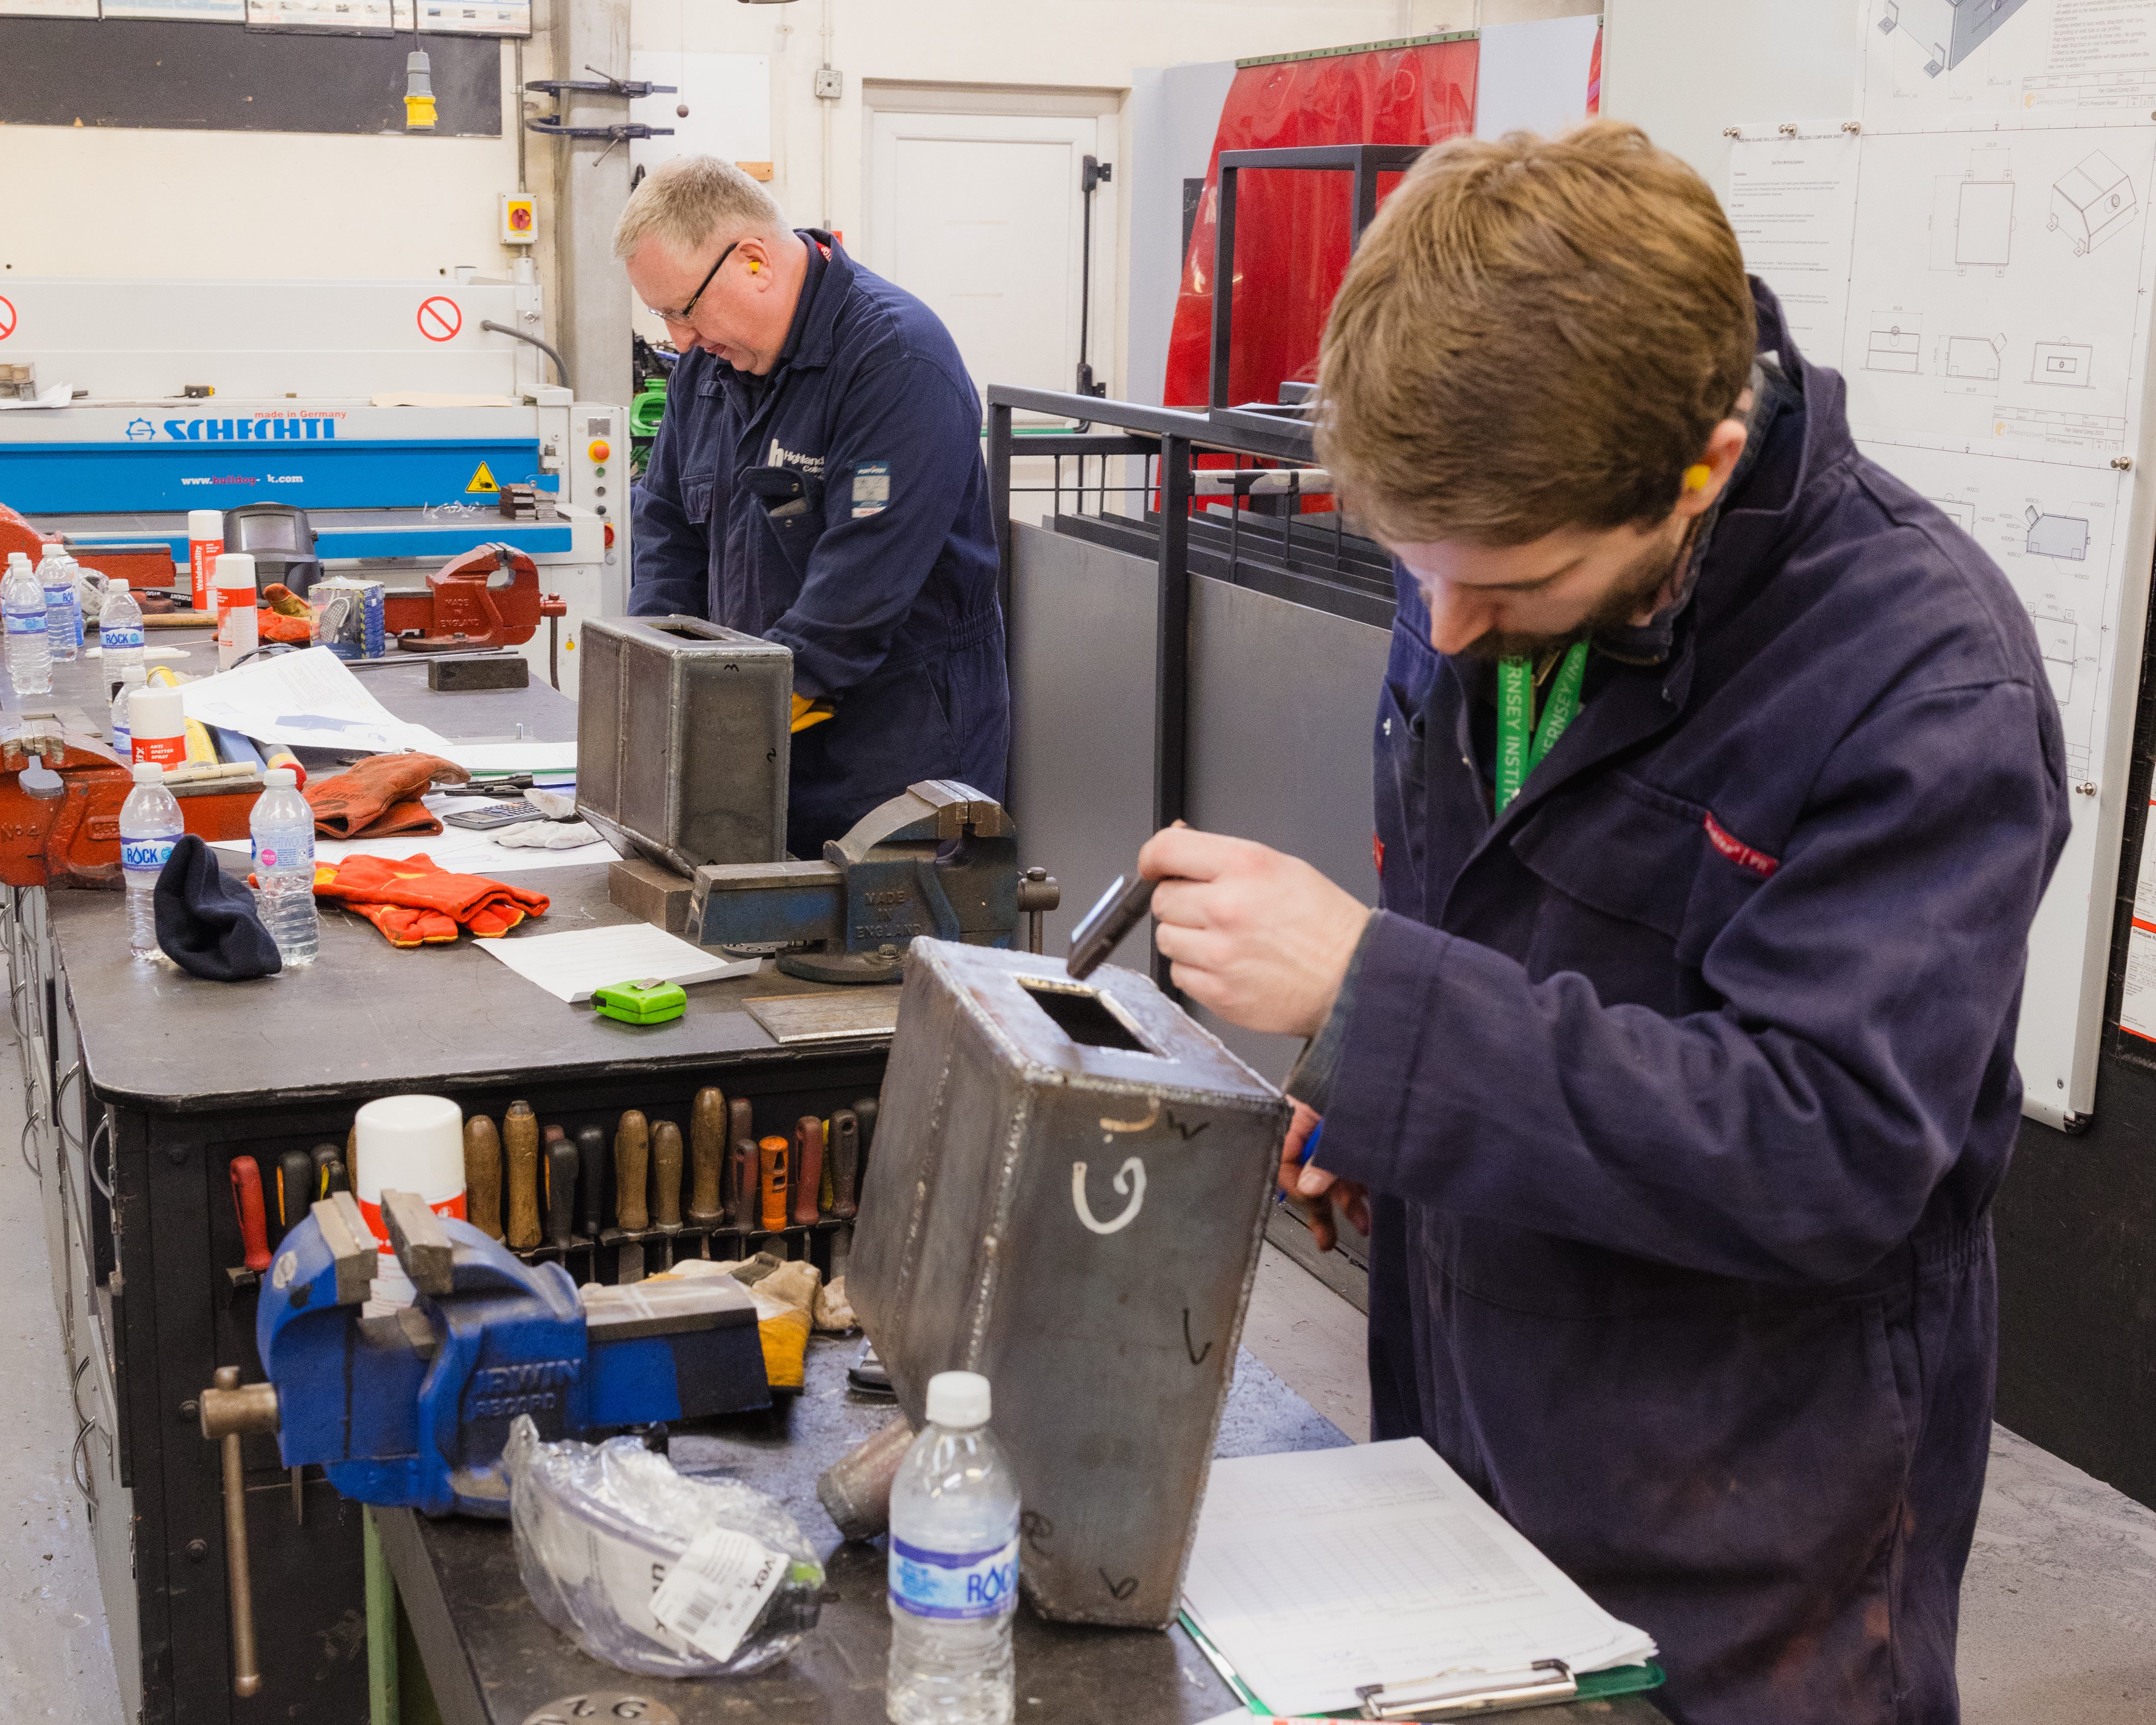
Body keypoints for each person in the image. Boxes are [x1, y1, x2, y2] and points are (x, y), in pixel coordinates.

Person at [1142, 122, 2069, 1725]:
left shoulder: (1921, 685)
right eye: (1414, 570)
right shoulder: (1494, 534)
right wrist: (1378, 1102)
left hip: (1741, 1512)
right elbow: (1509, 942)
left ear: (1697, 470)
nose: (1442, 625)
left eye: (1508, 584)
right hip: (1463, 1407)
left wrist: (1379, 1000)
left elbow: (1830, 1146)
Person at [617, 157, 1009, 853]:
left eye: (683, 309)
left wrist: (717, 729)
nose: (679, 339)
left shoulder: (896, 363)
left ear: (755, 263)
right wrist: (659, 679)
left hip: (894, 769)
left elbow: (856, 600)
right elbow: (667, 528)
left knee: (886, 961)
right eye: (661, 316)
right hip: (757, 747)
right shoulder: (711, 366)